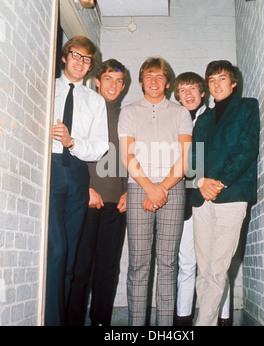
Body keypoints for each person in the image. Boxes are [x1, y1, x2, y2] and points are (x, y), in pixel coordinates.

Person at [118, 57, 193, 326]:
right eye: (149, 76)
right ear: (140, 82)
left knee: (168, 264)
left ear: (167, 82)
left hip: (173, 189)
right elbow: (127, 156)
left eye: (160, 77)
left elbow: (185, 158)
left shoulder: (180, 113)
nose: (154, 81)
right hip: (139, 188)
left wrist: (162, 189)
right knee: (139, 263)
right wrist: (150, 188)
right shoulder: (128, 112)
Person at [190, 60, 260, 326]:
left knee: (218, 269)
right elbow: (193, 156)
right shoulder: (204, 118)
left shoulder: (247, 107)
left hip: (231, 195)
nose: (216, 84)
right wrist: (200, 182)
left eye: (221, 79)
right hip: (201, 198)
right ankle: (204, 320)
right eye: (211, 80)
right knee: (203, 269)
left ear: (233, 82)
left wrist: (219, 182)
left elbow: (246, 148)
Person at [45, 36, 109, 326]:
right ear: (63, 57)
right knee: (57, 251)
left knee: (70, 259)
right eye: (76, 55)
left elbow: (99, 147)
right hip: (50, 169)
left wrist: (72, 142)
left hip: (77, 174)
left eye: (87, 59)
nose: (81, 63)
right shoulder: (46, 87)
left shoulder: (95, 101)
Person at [66, 59, 128, 326]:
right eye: (108, 79)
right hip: (88, 200)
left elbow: (133, 158)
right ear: (97, 82)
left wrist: (129, 192)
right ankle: (73, 320)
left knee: (108, 268)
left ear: (123, 86)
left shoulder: (127, 117)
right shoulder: (86, 110)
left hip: (118, 203)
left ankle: (101, 321)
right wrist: (86, 189)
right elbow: (73, 151)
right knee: (81, 269)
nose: (113, 85)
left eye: (118, 81)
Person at [173, 72, 232, 326]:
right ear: (177, 95)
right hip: (185, 202)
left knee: (216, 266)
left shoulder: (215, 117)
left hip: (211, 199)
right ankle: (183, 321)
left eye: (193, 89)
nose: (188, 94)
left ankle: (223, 319)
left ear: (203, 92)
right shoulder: (174, 120)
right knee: (186, 263)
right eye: (183, 90)